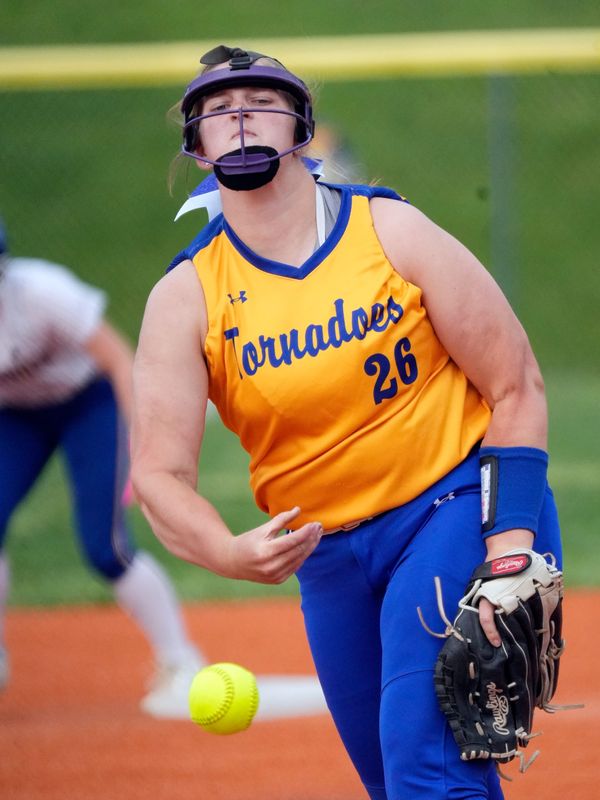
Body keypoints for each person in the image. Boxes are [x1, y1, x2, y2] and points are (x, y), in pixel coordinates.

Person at [131, 45, 562, 800]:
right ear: (195, 149)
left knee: (423, 763)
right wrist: (228, 553)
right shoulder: (187, 295)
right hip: (327, 559)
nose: (238, 118)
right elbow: (160, 476)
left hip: (449, 508)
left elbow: (515, 383)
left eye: (261, 101)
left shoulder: (388, 230)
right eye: (216, 111)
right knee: (394, 778)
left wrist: (509, 547)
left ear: (301, 126)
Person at [0, 217, 204, 716]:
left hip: (87, 402)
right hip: (15, 417)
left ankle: (182, 660)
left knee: (104, 545)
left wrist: (144, 441)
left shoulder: (40, 293)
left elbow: (117, 357)